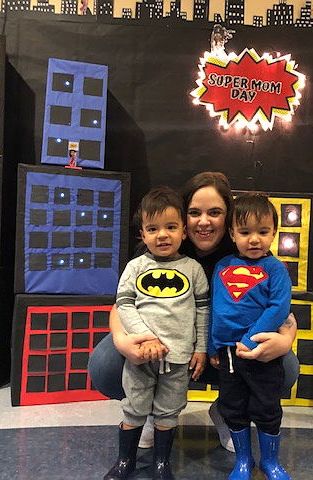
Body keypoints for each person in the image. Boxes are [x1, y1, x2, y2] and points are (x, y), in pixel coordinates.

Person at [88, 172, 299, 452]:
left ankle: (228, 410)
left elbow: (282, 308)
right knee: (105, 365)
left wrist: (286, 339)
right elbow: (122, 303)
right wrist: (121, 339)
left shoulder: (247, 252)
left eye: (215, 212)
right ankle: (149, 407)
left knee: (286, 367)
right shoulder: (159, 246)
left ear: (229, 218)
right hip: (161, 346)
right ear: (182, 216)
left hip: (222, 350)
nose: (204, 221)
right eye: (194, 212)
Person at [105, 186, 209, 480]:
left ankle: (161, 462)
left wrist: (200, 347)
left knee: (169, 411)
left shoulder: (193, 269)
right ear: (142, 234)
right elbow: (124, 304)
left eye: (171, 227)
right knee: (134, 407)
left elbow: (203, 312)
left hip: (177, 357)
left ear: (184, 231)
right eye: (153, 229)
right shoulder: (135, 267)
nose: (162, 235)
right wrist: (144, 337)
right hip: (141, 355)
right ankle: (126, 460)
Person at [209, 193, 291, 480]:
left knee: (267, 407)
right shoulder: (222, 266)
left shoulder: (275, 268)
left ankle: (270, 461)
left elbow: (278, 307)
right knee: (233, 406)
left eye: (263, 232)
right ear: (232, 234)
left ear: (274, 233)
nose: (254, 239)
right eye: (245, 232)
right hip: (228, 353)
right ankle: (243, 460)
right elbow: (216, 308)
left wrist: (251, 337)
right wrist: (212, 346)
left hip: (261, 351)